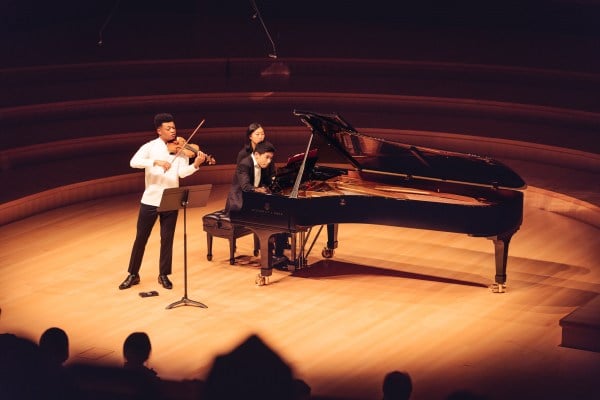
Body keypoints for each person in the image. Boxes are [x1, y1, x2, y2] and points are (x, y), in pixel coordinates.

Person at [119, 113, 208, 290]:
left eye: (174, 127)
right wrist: (156, 162)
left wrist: (196, 165)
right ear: (159, 131)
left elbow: (181, 173)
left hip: (171, 199)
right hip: (150, 200)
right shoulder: (150, 147)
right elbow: (133, 162)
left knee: (167, 240)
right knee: (141, 239)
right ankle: (133, 274)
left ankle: (163, 274)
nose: (173, 131)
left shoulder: (181, 149)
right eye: (168, 128)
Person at [224, 141, 288, 266]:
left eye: (271, 158)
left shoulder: (264, 164)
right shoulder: (244, 164)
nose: (269, 161)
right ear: (257, 154)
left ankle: (278, 254)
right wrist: (261, 189)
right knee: (270, 221)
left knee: (283, 215)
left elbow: (267, 182)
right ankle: (269, 258)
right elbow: (246, 187)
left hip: (253, 201)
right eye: (267, 157)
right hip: (239, 203)